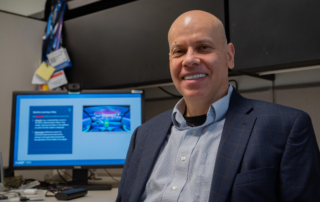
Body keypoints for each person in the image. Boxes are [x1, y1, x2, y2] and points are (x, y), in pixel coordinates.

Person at [116, 10, 320, 202]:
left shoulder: (286, 128)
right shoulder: (143, 136)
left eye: (204, 47)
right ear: (170, 61)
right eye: (179, 51)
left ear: (229, 56)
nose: (189, 60)